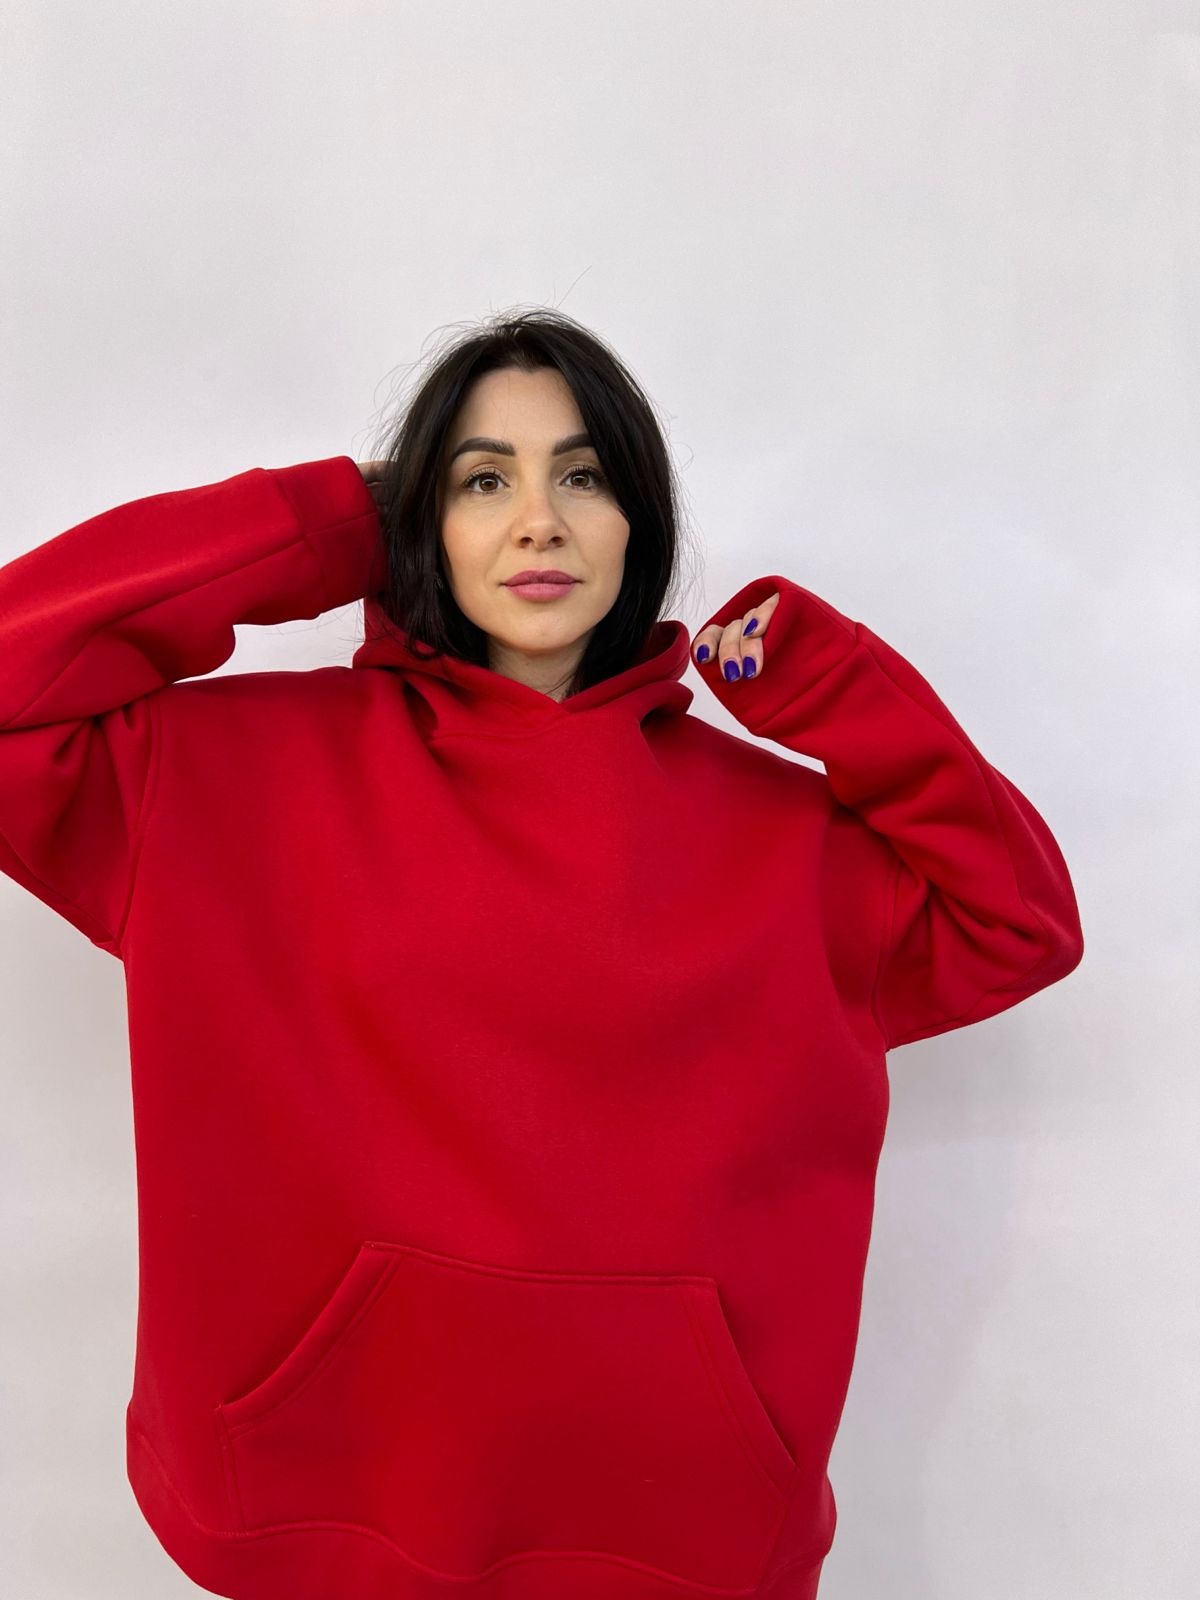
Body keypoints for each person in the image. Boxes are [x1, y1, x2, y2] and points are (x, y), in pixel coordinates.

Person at [0, 308, 1084, 1600]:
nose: (538, 522)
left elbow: (1017, 921)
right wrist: (324, 524)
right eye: (480, 481)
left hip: (675, 1508)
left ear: (639, 522)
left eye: (583, 476)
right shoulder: (223, 777)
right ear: (420, 524)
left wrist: (824, 682)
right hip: (319, 1474)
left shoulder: (790, 842)